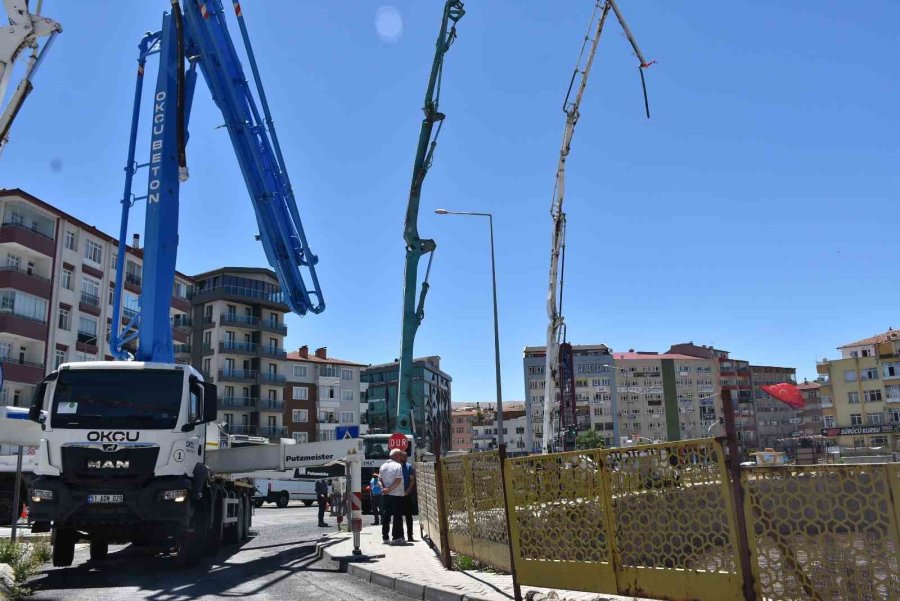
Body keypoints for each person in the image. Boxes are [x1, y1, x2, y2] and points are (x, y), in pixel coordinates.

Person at [379, 448, 406, 545]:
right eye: (400, 455)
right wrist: (390, 489)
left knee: (386, 516)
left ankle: (385, 537)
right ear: (396, 456)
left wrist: (383, 489)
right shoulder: (397, 466)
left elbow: (379, 480)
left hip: (386, 495)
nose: (401, 457)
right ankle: (396, 537)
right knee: (397, 516)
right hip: (396, 494)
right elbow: (398, 480)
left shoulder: (383, 466)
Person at [399, 451, 417, 542]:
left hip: (407, 495)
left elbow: (412, 480)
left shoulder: (408, 467)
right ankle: (401, 536)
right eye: (403, 457)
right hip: (398, 495)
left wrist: (408, 491)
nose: (405, 459)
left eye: (406, 457)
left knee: (408, 516)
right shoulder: (396, 467)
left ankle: (410, 535)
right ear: (399, 457)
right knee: (398, 516)